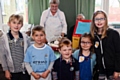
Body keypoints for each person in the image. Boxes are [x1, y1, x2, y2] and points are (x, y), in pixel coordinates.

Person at [90, 10, 120, 80]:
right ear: (93, 21)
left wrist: (117, 70)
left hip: (112, 70)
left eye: (101, 19)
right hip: (100, 70)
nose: (99, 22)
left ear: (105, 20)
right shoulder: (93, 36)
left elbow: (118, 53)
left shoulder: (113, 34)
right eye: (97, 19)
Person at [0, 14, 30, 80]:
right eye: (14, 23)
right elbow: (2, 56)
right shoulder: (3, 39)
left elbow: (29, 53)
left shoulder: (25, 38)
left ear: (22, 25)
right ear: (9, 24)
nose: (16, 25)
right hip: (12, 71)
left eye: (19, 23)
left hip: (24, 70)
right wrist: (6, 70)